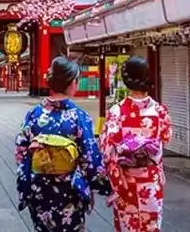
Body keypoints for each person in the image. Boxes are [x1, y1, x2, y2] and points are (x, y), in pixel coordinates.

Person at [15, 56, 111, 232]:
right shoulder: (79, 117)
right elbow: (90, 158)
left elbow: (21, 151)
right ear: (72, 83)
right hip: (69, 190)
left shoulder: (33, 115)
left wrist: (28, 179)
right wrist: (104, 186)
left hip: (40, 188)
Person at [100, 56, 172, 232]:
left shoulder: (116, 112)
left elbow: (107, 150)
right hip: (151, 181)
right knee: (151, 226)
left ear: (125, 81)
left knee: (127, 226)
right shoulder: (160, 111)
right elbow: (166, 137)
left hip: (126, 182)